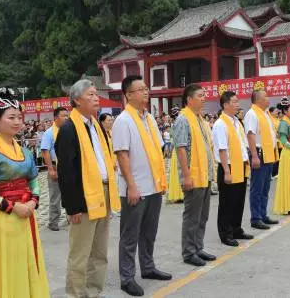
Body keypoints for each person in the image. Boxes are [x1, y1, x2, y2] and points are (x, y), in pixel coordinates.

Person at [0, 87, 49, 297]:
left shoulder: (25, 151)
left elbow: (33, 180)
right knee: (8, 265)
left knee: (27, 261)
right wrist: (12, 207)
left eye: (20, 117)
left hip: (27, 215)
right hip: (4, 217)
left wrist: (33, 201)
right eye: (11, 117)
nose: (17, 122)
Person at [55, 81, 120, 298]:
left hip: (104, 193)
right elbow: (66, 172)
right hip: (83, 199)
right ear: (76, 100)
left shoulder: (96, 126)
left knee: (99, 252)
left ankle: (93, 292)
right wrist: (72, 207)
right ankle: (75, 294)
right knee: (80, 254)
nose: (96, 98)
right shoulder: (69, 129)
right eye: (91, 94)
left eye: (96, 94)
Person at [112, 75, 172, 297]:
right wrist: (132, 186)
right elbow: (122, 156)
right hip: (135, 188)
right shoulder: (123, 121)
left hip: (153, 186)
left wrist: (161, 181)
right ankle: (127, 278)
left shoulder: (149, 119)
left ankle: (148, 267)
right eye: (140, 89)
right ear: (128, 95)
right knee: (130, 235)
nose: (146, 92)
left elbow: (157, 149)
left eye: (147, 88)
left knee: (149, 232)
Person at [171, 84, 217, 267]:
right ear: (189, 99)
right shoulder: (184, 119)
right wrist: (187, 175)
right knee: (192, 216)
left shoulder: (199, 119)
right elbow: (181, 148)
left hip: (204, 175)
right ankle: (189, 252)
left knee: (202, 215)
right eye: (200, 95)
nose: (204, 98)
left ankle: (198, 247)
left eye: (204, 95)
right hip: (194, 176)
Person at [212, 91, 253, 247]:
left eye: (238, 101)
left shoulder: (236, 121)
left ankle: (236, 229)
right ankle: (225, 233)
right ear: (225, 104)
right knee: (227, 202)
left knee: (238, 200)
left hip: (240, 164)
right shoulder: (220, 124)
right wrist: (227, 172)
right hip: (228, 166)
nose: (238, 104)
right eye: (235, 102)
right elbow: (222, 149)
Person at [244, 89, 279, 230]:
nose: (268, 98)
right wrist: (254, 156)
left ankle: (263, 214)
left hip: (268, 153)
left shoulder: (264, 114)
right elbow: (250, 135)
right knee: (257, 188)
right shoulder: (252, 114)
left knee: (265, 187)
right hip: (259, 153)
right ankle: (256, 218)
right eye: (265, 96)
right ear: (258, 99)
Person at [40, 107, 69, 232]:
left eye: (67, 115)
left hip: (67, 167)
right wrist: (51, 169)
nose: (66, 118)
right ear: (56, 118)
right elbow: (45, 151)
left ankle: (70, 217)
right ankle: (53, 221)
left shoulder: (68, 131)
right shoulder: (49, 132)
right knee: (55, 196)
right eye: (63, 116)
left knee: (69, 194)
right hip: (55, 166)